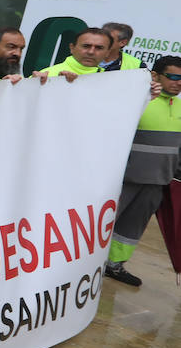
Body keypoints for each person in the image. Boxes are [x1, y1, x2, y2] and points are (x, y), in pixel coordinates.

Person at [105, 56, 181, 286]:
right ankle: (81, 267)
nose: (178, 82)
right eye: (173, 77)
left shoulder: (179, 107)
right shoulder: (139, 101)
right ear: (155, 76)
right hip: (124, 180)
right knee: (103, 225)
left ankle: (114, 265)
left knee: (131, 228)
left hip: (157, 183)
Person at [37, 28, 110, 79]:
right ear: (72, 48)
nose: (91, 52)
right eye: (86, 46)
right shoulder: (46, 75)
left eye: (99, 48)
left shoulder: (112, 80)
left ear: (107, 53)